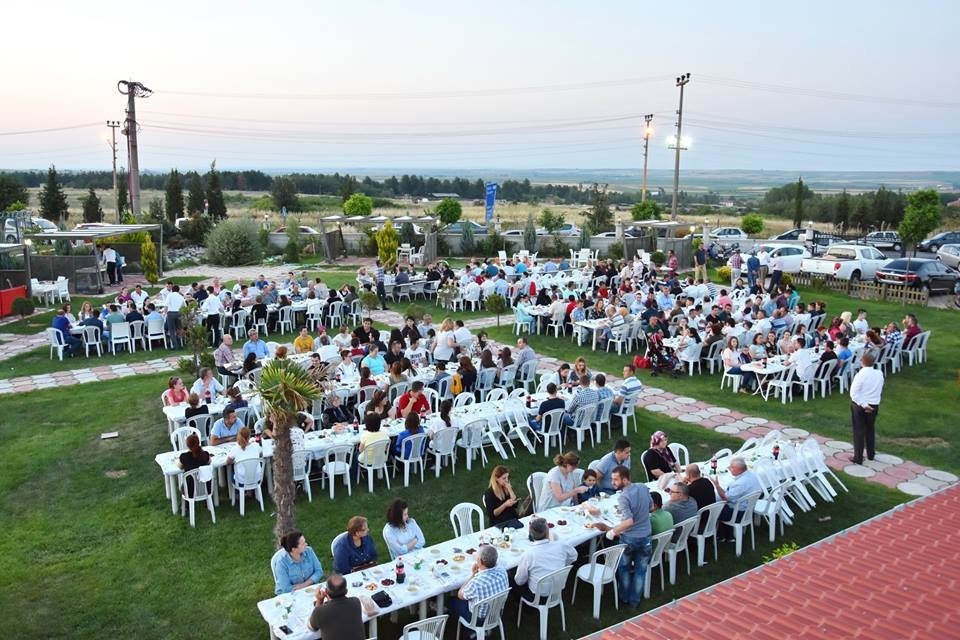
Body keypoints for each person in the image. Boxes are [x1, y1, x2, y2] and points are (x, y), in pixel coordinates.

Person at [592, 465, 652, 608]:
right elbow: (650, 506)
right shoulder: (643, 487)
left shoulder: (624, 497)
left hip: (630, 539)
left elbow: (629, 521)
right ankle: (634, 601)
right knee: (640, 571)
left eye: (615, 479)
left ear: (625, 480)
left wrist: (612, 532)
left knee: (624, 569)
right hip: (646, 536)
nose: (612, 482)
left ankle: (624, 598)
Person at [513, 517, 577, 601]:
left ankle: (525, 609)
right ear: (547, 532)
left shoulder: (528, 554)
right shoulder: (561, 545)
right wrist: (562, 568)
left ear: (531, 535)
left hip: (537, 595)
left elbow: (519, 581)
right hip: (557, 587)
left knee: (512, 580)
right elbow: (574, 556)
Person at [450, 545, 509, 624]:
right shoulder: (503, 571)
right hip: (496, 613)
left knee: (451, 601)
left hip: (478, 619)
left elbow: (460, 594)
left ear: (480, 562)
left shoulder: (476, 583)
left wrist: (473, 575)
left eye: (477, 558)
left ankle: (468, 631)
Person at [305, 573, 374, 640]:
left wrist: (319, 600)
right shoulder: (355, 602)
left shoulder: (319, 612)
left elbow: (311, 628)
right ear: (346, 591)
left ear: (326, 591)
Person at [710, 456, 762, 541]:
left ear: (738, 470)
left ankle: (711, 534)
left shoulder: (740, 483)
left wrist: (717, 485)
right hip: (748, 509)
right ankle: (724, 535)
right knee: (721, 503)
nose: (729, 468)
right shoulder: (751, 474)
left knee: (712, 507)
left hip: (739, 513)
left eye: (731, 467)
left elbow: (725, 498)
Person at [849, 351, 884, 465]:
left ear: (862, 362)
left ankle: (858, 457)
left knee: (859, 431)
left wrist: (864, 404)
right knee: (870, 429)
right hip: (873, 404)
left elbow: (853, 393)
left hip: (860, 405)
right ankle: (871, 454)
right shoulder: (879, 373)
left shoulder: (861, 375)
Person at [272, 530, 323, 595]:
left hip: (310, 590)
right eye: (303, 543)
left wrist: (305, 584)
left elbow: (319, 571)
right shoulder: (281, 563)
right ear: (294, 549)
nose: (306, 544)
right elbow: (286, 588)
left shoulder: (309, 551)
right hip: (290, 594)